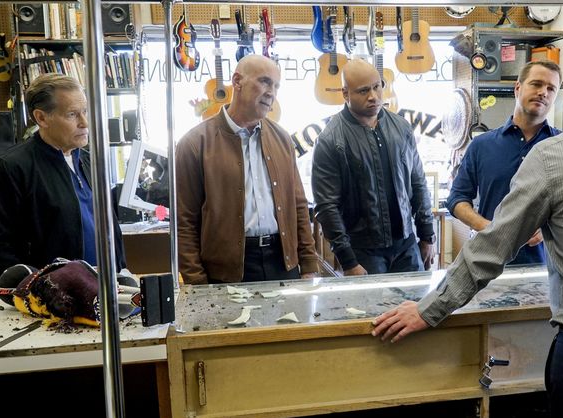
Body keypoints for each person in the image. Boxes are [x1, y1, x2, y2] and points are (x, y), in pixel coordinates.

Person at [372, 27, 563, 418]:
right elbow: (459, 202)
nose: (550, 93)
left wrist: (429, 309)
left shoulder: (557, 153)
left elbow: (489, 251)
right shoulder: (487, 146)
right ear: (518, 88)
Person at [176, 54, 318, 284]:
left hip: (283, 262)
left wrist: (309, 263)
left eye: (276, 86)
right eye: (264, 82)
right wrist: (196, 282)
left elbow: (298, 205)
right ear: (237, 81)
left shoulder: (282, 138)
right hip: (225, 271)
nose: (271, 93)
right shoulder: (194, 144)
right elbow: (184, 221)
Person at [0, 73, 126, 280]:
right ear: (41, 118)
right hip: (49, 295)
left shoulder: (91, 161)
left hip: (106, 287)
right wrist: (40, 287)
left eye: (85, 111)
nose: (85, 122)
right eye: (72, 114)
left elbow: (110, 229)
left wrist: (120, 273)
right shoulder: (11, 167)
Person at [311, 58, 435, 276]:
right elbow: (327, 206)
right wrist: (348, 261)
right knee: (374, 302)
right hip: (363, 252)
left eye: (377, 86)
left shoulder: (402, 127)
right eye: (363, 90)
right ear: (345, 94)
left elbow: (418, 183)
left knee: (417, 299)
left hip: (407, 246)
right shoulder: (330, 140)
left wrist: (427, 236)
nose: (373, 96)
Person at [447, 60, 561, 265]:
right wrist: (489, 228)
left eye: (551, 88)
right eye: (536, 84)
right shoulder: (481, 145)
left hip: (545, 267)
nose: (543, 92)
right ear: (518, 88)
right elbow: (456, 199)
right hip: (488, 263)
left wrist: (549, 228)